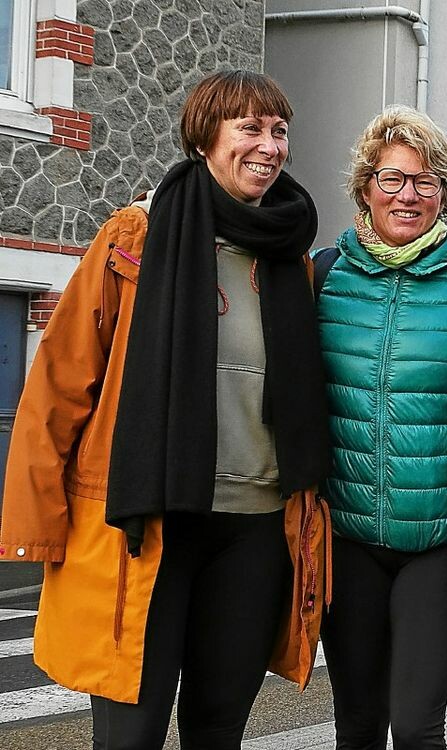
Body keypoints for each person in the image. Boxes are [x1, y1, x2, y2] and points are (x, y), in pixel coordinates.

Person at [0, 70, 330, 749]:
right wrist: (37, 529)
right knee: (132, 734)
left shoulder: (290, 254)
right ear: (205, 137)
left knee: (218, 731)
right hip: (149, 525)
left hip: (256, 531)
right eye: (250, 129)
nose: (269, 146)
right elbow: (60, 383)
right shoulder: (138, 235)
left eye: (278, 131)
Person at [314, 106, 447, 750]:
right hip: (347, 536)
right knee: (356, 724)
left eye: (425, 180)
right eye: (392, 180)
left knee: (415, 726)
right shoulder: (325, 275)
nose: (408, 194)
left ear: (444, 194)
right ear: (365, 190)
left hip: (438, 540)